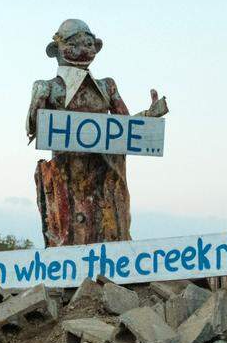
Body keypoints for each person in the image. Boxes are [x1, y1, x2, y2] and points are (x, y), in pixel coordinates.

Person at [26, 19, 168, 247]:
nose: (86, 48)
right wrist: (38, 102)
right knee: (73, 226)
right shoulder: (48, 86)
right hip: (67, 173)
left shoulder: (107, 86)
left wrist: (149, 116)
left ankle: (113, 267)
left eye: (90, 43)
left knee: (110, 224)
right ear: (59, 49)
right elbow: (35, 127)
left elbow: (125, 125)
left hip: (107, 173)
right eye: (76, 43)